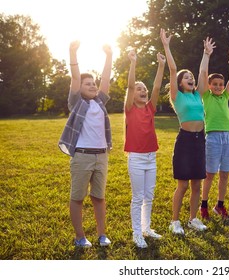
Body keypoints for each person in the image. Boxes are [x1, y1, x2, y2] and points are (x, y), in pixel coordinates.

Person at [160, 28, 214, 234]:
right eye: (186, 77)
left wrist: (206, 54)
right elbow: (173, 70)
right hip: (185, 141)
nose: (190, 78)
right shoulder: (177, 97)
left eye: (191, 76)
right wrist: (166, 46)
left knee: (196, 185)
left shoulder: (198, 95)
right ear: (180, 83)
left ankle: (193, 219)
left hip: (201, 140)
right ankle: (175, 221)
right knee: (182, 184)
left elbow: (203, 74)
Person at [58, 41, 113, 247]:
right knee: (78, 198)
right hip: (82, 156)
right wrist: (72, 52)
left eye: (93, 83)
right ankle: (80, 237)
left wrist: (109, 55)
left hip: (101, 155)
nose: (93, 86)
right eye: (87, 83)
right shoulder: (76, 103)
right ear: (79, 89)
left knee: (99, 197)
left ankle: (102, 234)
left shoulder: (100, 102)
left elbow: (106, 78)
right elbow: (74, 77)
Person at [124, 48, 166, 248]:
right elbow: (130, 85)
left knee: (149, 195)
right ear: (132, 95)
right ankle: (136, 233)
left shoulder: (150, 107)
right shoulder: (130, 109)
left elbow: (157, 87)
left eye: (144, 89)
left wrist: (161, 65)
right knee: (138, 196)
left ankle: (146, 228)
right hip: (136, 158)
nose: (142, 91)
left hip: (151, 157)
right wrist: (133, 62)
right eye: (138, 89)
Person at [200, 48, 229, 220]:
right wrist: (207, 55)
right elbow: (204, 73)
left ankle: (219, 205)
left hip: (228, 137)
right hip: (213, 137)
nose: (218, 87)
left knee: (225, 173)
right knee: (210, 174)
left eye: (220, 84)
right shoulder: (206, 96)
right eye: (215, 84)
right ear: (209, 86)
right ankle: (204, 205)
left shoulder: (225, 96)